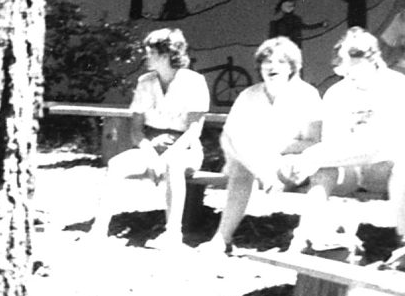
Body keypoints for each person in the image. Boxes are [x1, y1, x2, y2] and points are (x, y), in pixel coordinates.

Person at [276, 27, 405, 256]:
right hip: (352, 170)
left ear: (372, 59)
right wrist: (311, 158)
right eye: (343, 66)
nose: (347, 72)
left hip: (385, 170)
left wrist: (309, 156)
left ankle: (404, 243)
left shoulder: (396, 86)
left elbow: (382, 146)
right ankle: (305, 236)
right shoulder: (337, 93)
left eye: (353, 66)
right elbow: (332, 144)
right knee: (324, 168)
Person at [80, 27, 210, 249]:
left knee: (173, 165)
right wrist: (151, 154)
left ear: (168, 54)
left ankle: (172, 234)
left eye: (151, 52)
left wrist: (166, 156)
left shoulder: (194, 81)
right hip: (151, 145)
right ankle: (99, 229)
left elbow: (193, 131)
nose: (146, 56)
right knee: (116, 165)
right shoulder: (145, 82)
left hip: (184, 149)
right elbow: (136, 129)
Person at [204, 37, 323, 254]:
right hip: (253, 163)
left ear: (291, 67)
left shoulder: (307, 95)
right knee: (239, 161)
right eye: (266, 61)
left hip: (289, 163)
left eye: (280, 62)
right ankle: (222, 238)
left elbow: (314, 142)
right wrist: (259, 160)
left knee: (246, 161)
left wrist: (276, 148)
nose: (272, 67)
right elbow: (229, 138)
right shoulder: (248, 95)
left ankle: (300, 240)